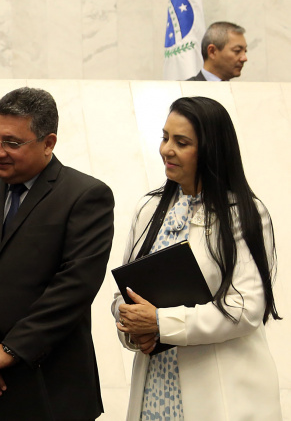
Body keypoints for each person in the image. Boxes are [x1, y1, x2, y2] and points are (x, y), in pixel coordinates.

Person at [0, 87, 115, 420]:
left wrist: (12, 349)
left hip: (51, 388)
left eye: (12, 142)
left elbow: (75, 287)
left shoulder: (86, 197)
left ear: (48, 143)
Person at [113, 96, 281, 420]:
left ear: (211, 150)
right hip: (155, 389)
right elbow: (124, 293)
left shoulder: (243, 214)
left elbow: (246, 308)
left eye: (181, 142)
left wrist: (162, 324)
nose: (166, 150)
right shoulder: (148, 208)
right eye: (164, 137)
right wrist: (135, 330)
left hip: (221, 398)